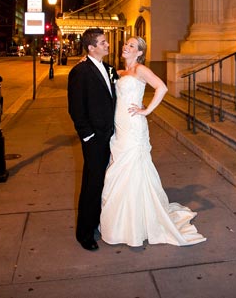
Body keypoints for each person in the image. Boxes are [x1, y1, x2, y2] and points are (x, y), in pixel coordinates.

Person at [99, 36, 206, 247]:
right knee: (118, 168)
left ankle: (136, 221)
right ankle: (121, 219)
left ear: (139, 52)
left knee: (133, 168)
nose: (126, 47)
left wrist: (146, 110)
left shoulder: (140, 69)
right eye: (126, 44)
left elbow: (162, 87)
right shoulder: (120, 73)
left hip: (134, 125)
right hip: (119, 127)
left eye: (131, 46)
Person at [67, 27, 117, 251]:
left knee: (107, 183)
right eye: (103, 42)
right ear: (91, 47)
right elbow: (76, 109)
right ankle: (84, 233)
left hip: (113, 136)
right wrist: (88, 136)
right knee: (92, 184)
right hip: (95, 139)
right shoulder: (80, 72)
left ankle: (99, 221)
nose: (107, 45)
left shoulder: (109, 69)